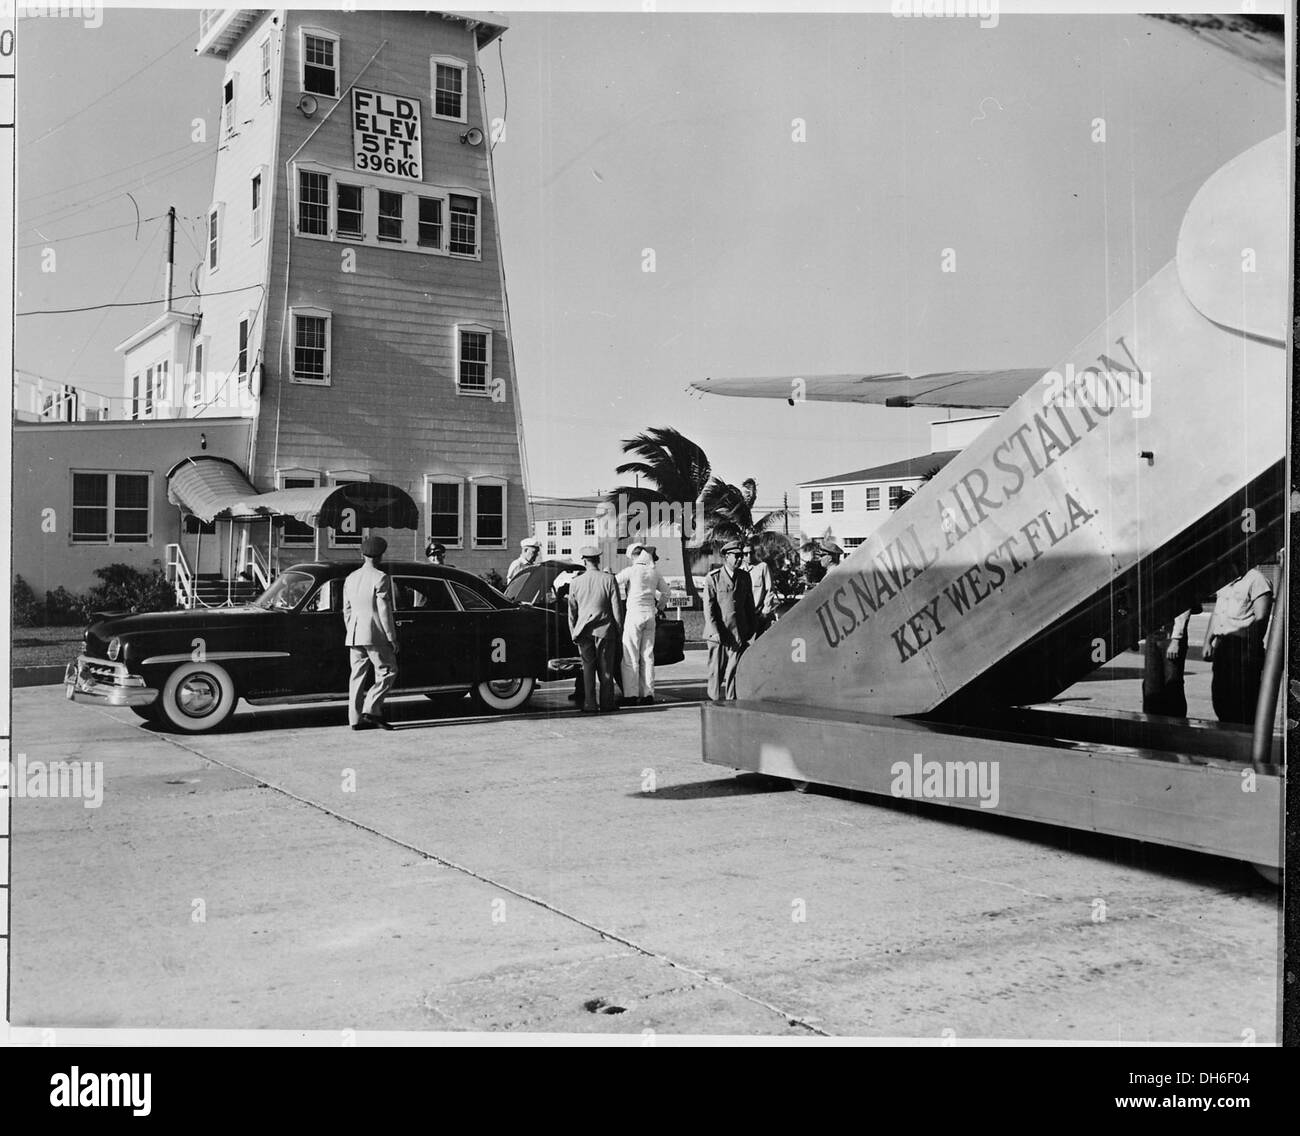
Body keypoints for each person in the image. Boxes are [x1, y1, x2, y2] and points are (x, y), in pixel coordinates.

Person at [1203, 560, 1274, 725]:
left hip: (1243, 647)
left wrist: (1249, 648)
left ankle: (1245, 740)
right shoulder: (1225, 581)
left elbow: (1261, 617)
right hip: (1223, 645)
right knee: (1220, 696)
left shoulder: (1256, 580)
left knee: (1243, 700)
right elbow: (1217, 613)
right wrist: (1208, 641)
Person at [343, 535, 399, 731]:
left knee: (356, 676)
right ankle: (372, 709)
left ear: (362, 554)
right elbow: (384, 611)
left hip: (354, 634)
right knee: (387, 670)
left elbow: (347, 610)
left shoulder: (351, 578)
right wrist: (391, 637)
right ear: (381, 556)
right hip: (374, 633)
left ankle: (355, 719)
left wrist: (352, 630)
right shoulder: (381, 577)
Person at [567, 545, 624, 712]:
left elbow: (572, 611)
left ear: (584, 561)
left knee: (587, 669)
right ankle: (607, 703)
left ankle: (589, 704)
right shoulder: (609, 579)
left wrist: (573, 632)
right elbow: (617, 610)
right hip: (605, 631)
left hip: (583, 632)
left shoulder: (575, 583)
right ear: (598, 560)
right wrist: (619, 632)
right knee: (606, 670)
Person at [617, 544, 671, 704]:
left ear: (634, 556)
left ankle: (631, 695)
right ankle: (648, 693)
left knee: (630, 656)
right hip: (650, 614)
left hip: (634, 614)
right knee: (647, 656)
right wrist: (658, 607)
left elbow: (613, 582)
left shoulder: (631, 570)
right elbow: (667, 592)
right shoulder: (654, 572)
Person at [704, 541, 756, 701]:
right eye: (737, 556)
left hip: (738, 632)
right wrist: (714, 631)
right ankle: (714, 701)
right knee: (716, 670)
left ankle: (731, 701)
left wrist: (751, 629)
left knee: (734, 670)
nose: (740, 559)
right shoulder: (713, 577)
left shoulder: (744, 577)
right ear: (727, 557)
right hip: (719, 633)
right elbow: (709, 607)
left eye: (742, 556)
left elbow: (749, 605)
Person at [1141, 606, 1197, 717]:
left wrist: (1176, 639)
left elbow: (1183, 606)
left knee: (1172, 684)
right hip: (1152, 633)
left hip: (1171, 634)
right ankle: (1153, 725)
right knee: (1151, 685)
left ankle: (1175, 725)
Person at [746, 539, 776, 636]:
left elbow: (770, 590)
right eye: (745, 554)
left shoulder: (762, 567)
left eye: (751, 553)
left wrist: (765, 611)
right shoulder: (739, 570)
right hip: (744, 615)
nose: (748, 556)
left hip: (760, 614)